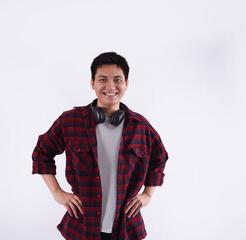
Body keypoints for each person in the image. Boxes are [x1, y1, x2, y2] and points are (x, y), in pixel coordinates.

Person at [32, 52, 169, 240]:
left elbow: (159, 158)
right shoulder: (70, 121)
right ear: (92, 83)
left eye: (117, 80)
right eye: (103, 79)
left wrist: (147, 194)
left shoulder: (141, 127)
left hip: (126, 229)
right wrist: (57, 192)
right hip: (82, 226)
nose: (110, 86)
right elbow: (41, 152)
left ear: (127, 83)